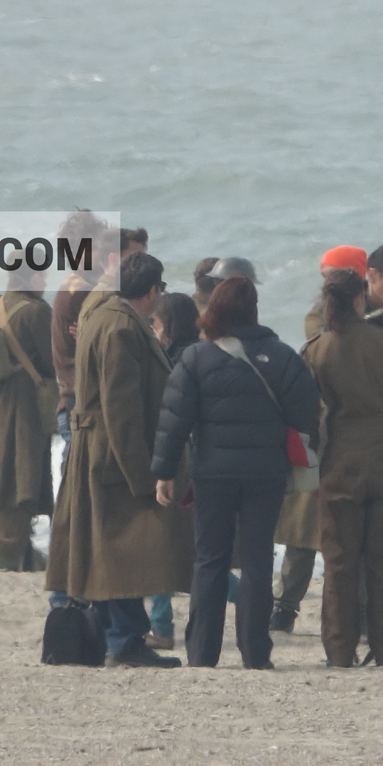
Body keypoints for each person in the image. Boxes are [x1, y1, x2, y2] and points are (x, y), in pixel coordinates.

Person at [150, 276, 319, 668]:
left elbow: (174, 419)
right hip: (266, 472)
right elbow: (307, 410)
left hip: (213, 471)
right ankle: (255, 652)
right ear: (254, 309)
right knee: (259, 558)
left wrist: (164, 471)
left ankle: (203, 653)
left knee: (210, 559)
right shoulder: (282, 356)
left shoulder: (196, 358)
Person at [45, 252, 189, 669]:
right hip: (111, 451)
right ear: (152, 291)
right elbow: (121, 407)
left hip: (98, 447)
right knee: (126, 548)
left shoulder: (101, 312)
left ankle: (121, 638)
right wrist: (143, 473)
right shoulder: (121, 327)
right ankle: (125, 641)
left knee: (109, 549)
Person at [303, 267, 383, 667]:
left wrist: (313, 467)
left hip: (339, 461)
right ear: (359, 299)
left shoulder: (316, 349)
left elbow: (309, 418)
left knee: (340, 562)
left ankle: (339, 651)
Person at [273, 244, 374, 633]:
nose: (325, 283)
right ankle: (286, 606)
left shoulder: (371, 309)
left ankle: (357, 610)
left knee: (350, 529)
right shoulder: (323, 315)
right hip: (322, 431)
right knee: (304, 530)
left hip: (345, 432)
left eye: (332, 275)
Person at [0, 266, 56, 572]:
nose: (45, 282)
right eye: (42, 276)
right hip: (23, 411)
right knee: (21, 484)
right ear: (32, 278)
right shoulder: (36, 312)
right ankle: (2, 559)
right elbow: (52, 361)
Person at [147, 289, 205, 646]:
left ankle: (162, 626)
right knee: (191, 551)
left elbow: (170, 420)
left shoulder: (172, 362)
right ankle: (247, 597)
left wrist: (161, 469)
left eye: (154, 323)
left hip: (178, 460)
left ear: (167, 325)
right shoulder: (200, 354)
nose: (151, 329)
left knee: (165, 544)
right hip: (196, 459)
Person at [51, 211, 117, 454]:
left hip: (74, 403)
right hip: (80, 404)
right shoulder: (82, 292)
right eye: (97, 246)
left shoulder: (75, 286)